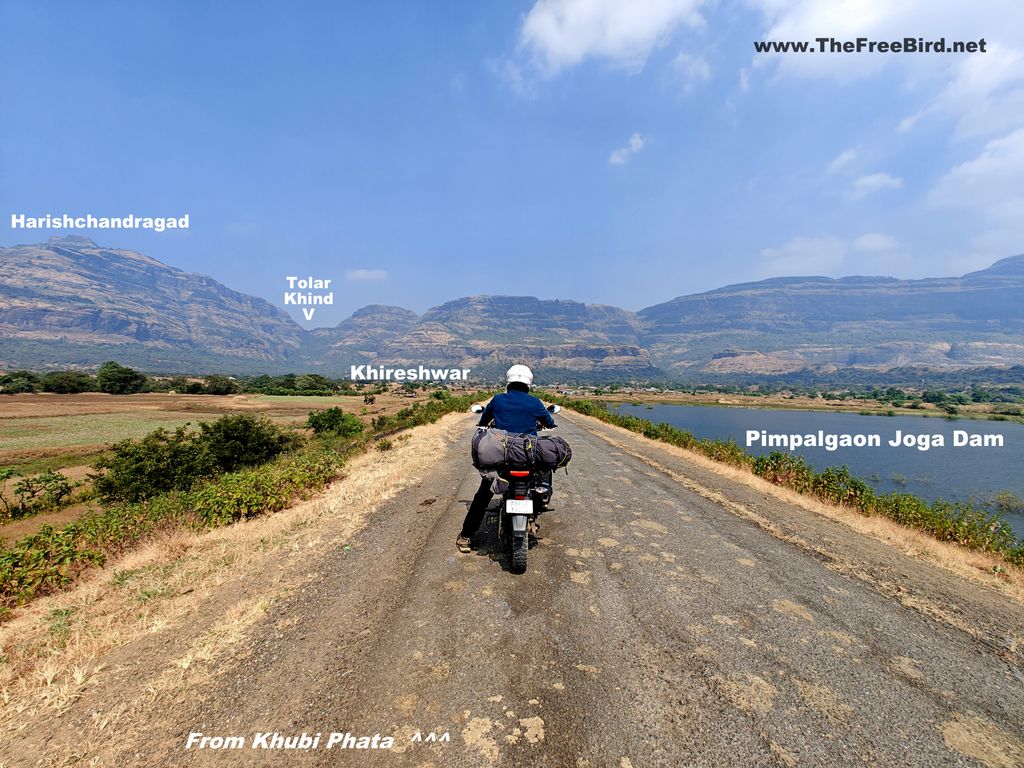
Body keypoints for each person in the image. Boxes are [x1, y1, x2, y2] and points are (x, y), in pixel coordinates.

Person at [456, 364, 555, 553]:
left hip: (503, 458)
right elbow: (549, 423)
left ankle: (466, 537)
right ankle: (542, 499)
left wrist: (487, 422)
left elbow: (484, 420)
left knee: (483, 495)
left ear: (508, 382)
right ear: (528, 384)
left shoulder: (498, 400)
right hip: (528, 457)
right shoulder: (534, 402)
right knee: (545, 468)